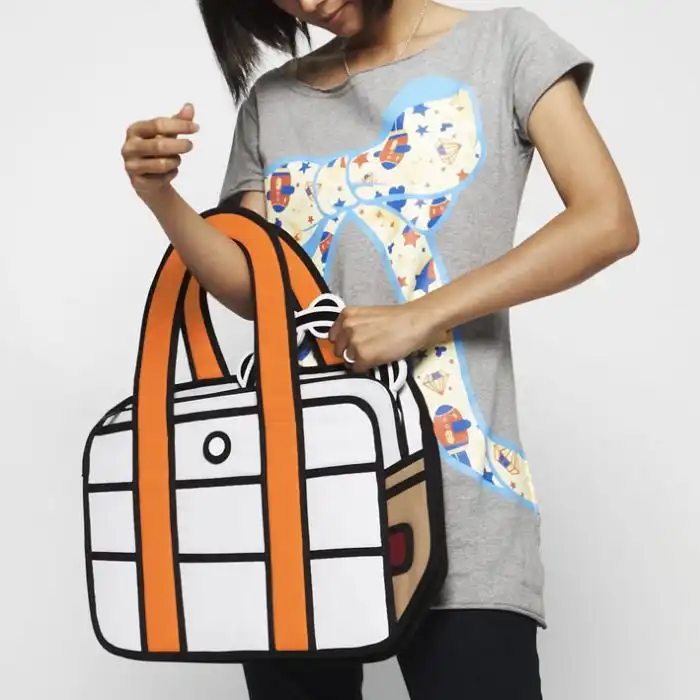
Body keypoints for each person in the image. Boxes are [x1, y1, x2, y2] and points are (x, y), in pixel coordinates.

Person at [120, 1, 639, 697]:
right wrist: (162, 198)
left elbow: (606, 220)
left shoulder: (505, 44)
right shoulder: (272, 103)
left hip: (462, 504)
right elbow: (255, 288)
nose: (307, 3)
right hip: (296, 505)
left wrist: (420, 317)